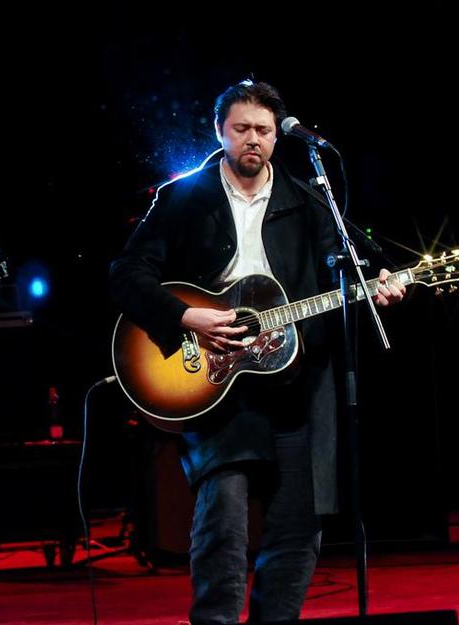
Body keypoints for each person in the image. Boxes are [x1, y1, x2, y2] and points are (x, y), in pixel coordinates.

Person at [109, 80, 404, 624]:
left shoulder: (309, 200)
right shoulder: (183, 198)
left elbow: (349, 265)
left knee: (299, 524)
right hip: (217, 376)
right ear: (219, 131)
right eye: (241, 128)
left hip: (297, 382)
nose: (253, 139)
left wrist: (378, 283)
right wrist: (185, 315)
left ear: (277, 136)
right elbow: (126, 274)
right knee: (223, 519)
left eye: (263, 131)